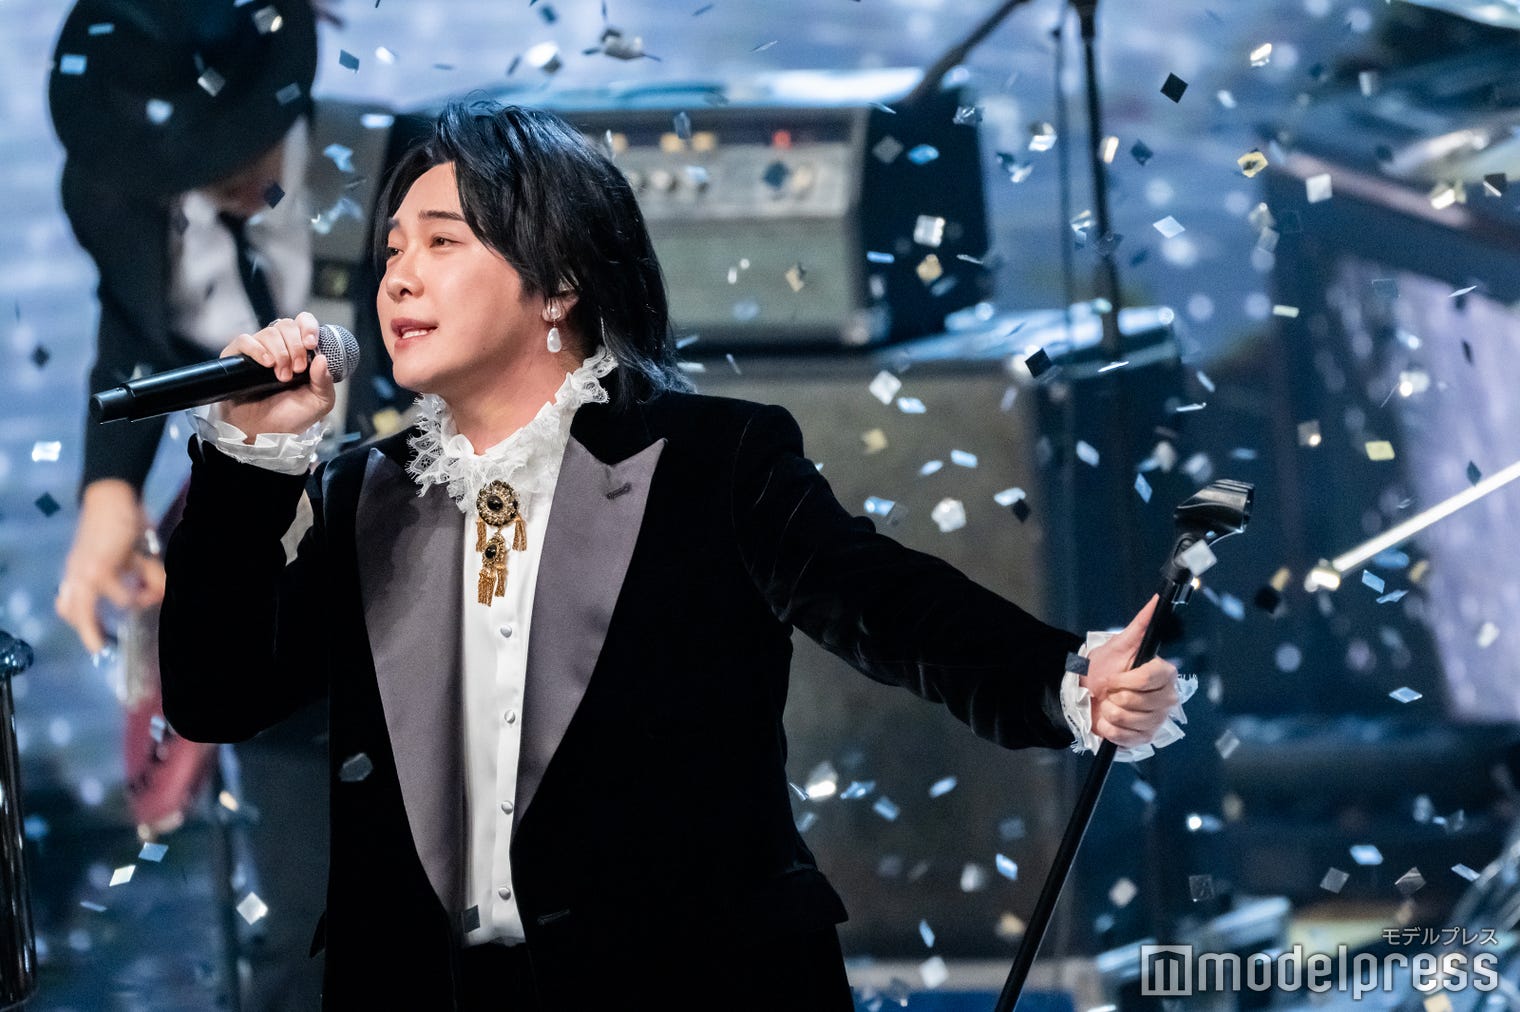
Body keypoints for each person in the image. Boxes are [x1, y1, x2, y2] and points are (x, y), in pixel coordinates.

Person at [158, 100, 1187, 1010]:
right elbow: (218, 694)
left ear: (558, 282)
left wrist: (1059, 675)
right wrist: (250, 461)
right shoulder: (362, 492)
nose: (399, 278)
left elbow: (880, 601)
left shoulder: (709, 460)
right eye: (391, 251)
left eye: (442, 242)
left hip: (687, 978)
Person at [47, 1, 401, 1007]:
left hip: (428, 562)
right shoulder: (116, 194)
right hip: (281, 589)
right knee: (303, 924)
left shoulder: (401, 171)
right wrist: (108, 492)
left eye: (238, 145)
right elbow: (134, 323)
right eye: (190, 161)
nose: (222, 175)